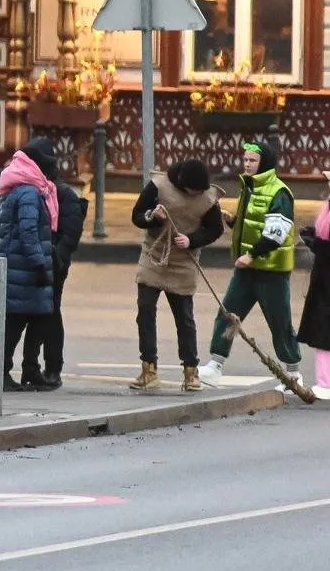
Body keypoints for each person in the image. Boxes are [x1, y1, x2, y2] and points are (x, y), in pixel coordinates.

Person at [206, 137, 301, 385]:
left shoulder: (279, 192)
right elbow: (252, 224)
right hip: (247, 269)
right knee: (228, 314)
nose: (246, 164)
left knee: (279, 321)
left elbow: (276, 233)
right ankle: (216, 363)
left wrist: (251, 255)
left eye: (252, 160)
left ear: (264, 163)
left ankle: (293, 373)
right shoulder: (249, 187)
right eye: (245, 160)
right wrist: (232, 221)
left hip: (271, 271)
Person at [129, 158, 221, 392]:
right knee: (146, 311)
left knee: (185, 318)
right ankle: (148, 369)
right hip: (154, 256)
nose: (196, 194)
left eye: (200, 191)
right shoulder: (158, 186)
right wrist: (153, 216)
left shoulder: (208, 197)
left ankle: (191, 371)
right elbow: (138, 215)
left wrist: (192, 240)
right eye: (193, 190)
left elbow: (215, 229)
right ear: (183, 183)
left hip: (184, 261)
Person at [17, 137, 87, 391]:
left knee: (49, 313)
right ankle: (31, 366)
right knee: (33, 314)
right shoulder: (30, 188)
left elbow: (71, 230)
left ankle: (52, 367)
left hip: (53, 263)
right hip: (34, 261)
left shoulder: (61, 192)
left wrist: (57, 258)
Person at [0, 146, 59, 392]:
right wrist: (39, 263)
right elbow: (28, 231)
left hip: (21, 267)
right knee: (19, 321)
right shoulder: (30, 193)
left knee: (33, 318)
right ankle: (4, 371)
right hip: (25, 269)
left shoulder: (22, 189)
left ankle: (23, 369)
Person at [298, 195, 330, 393]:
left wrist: (316, 244)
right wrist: (314, 237)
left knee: (324, 333)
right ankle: (324, 381)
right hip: (323, 282)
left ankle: (325, 383)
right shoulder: (326, 208)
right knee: (322, 332)